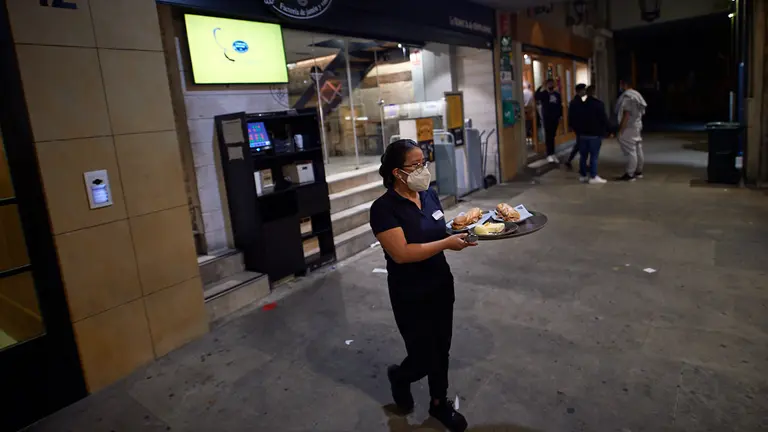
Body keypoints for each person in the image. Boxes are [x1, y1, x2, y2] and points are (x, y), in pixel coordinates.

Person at [369, 139, 475, 432]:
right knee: (422, 356)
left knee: (442, 349)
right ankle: (401, 377)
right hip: (410, 292)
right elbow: (401, 253)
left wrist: (464, 231)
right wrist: (447, 243)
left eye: (423, 163)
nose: (422, 170)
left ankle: (439, 403)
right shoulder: (383, 209)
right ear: (396, 172)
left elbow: (439, 228)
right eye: (414, 165)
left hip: (440, 283)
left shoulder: (428, 195)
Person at [615, 79, 647, 181]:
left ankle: (630, 173)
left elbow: (626, 115)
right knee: (638, 148)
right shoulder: (637, 95)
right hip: (637, 124)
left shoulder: (628, 97)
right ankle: (638, 171)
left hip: (629, 127)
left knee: (631, 150)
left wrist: (620, 130)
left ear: (623, 84)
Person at [577, 85, 609, 184]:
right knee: (594, 156)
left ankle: (583, 175)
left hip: (582, 134)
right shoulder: (599, 104)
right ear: (595, 92)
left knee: (583, 156)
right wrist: (609, 130)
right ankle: (593, 176)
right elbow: (603, 119)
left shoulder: (581, 104)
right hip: (594, 134)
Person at [535, 78, 563, 163]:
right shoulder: (544, 94)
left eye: (552, 83)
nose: (551, 85)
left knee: (552, 136)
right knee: (548, 136)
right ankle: (549, 154)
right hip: (547, 118)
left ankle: (552, 153)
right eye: (549, 83)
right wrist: (541, 86)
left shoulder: (557, 94)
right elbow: (536, 96)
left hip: (555, 118)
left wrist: (560, 115)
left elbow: (559, 105)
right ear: (547, 85)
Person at [564, 83, 588, 170]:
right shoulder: (576, 102)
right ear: (579, 91)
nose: (585, 91)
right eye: (584, 90)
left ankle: (570, 160)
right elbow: (571, 115)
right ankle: (581, 164)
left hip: (579, 126)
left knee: (579, 144)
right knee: (581, 144)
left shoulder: (579, 101)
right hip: (579, 126)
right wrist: (570, 125)